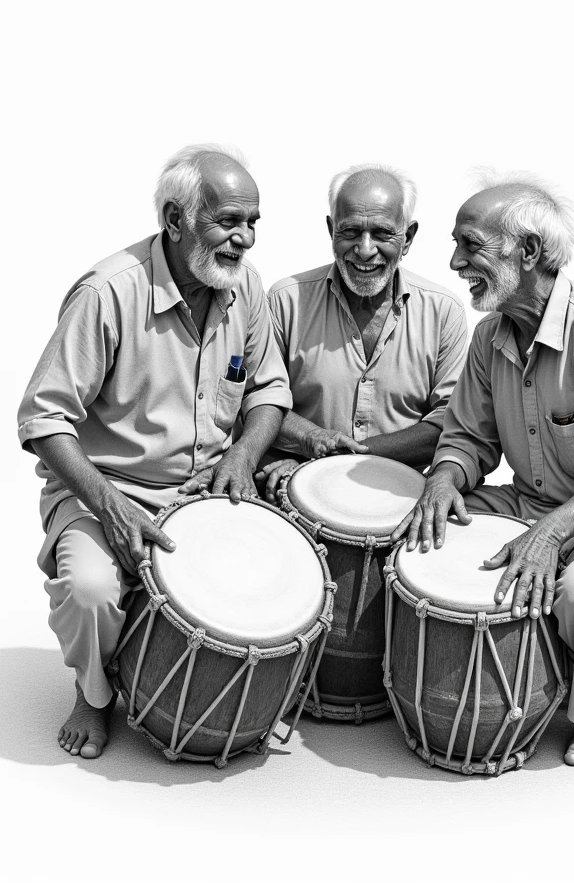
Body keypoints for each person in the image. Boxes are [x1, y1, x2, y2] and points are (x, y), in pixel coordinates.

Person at [392, 170, 574, 769]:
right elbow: (468, 438)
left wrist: (550, 536)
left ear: (527, 253)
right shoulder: (489, 337)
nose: (453, 261)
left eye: (470, 245)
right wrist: (444, 479)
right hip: (531, 502)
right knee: (417, 530)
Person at [17, 143, 292, 760]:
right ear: (175, 220)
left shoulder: (245, 287)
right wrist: (110, 506)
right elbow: (42, 416)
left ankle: (257, 697)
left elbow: (269, 391)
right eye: (228, 221)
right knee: (90, 588)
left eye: (252, 222)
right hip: (107, 489)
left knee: (288, 576)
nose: (244, 238)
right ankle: (92, 697)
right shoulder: (108, 292)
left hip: (209, 490)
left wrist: (243, 455)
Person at [258, 163, 468, 501]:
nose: (365, 249)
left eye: (382, 233)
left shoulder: (444, 312)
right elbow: (258, 399)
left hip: (397, 495)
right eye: (351, 231)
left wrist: (343, 457)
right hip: (292, 488)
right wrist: (310, 437)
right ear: (331, 231)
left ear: (408, 237)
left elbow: (450, 424)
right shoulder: (286, 300)